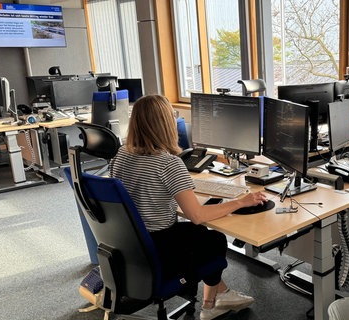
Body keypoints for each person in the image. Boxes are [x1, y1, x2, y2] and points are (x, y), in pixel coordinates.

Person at [109, 94, 268, 320]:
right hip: (159, 247)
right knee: (214, 240)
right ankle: (210, 304)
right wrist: (240, 202)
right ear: (165, 124)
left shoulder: (121, 154)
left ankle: (219, 295)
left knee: (199, 235)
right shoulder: (168, 163)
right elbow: (197, 215)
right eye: (172, 116)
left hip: (130, 245)